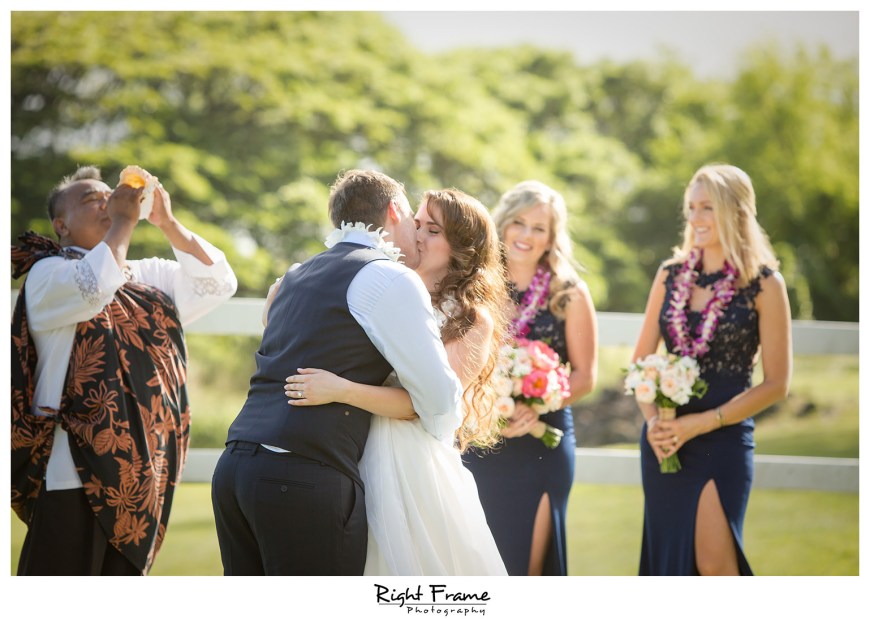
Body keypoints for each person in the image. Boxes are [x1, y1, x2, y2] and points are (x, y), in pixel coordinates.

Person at [211, 170, 465, 576]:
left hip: (234, 470)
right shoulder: (388, 276)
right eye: (414, 224)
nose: (417, 234)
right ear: (393, 210)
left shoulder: (293, 276)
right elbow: (438, 399)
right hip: (301, 479)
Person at [11, 165, 238, 575]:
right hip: (71, 467)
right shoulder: (49, 274)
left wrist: (168, 224)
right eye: (90, 199)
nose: (105, 201)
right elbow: (94, 288)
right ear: (60, 225)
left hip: (141, 472)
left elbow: (218, 283)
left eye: (108, 194)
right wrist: (123, 221)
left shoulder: (145, 276)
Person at [283, 188, 510, 575]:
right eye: (416, 223)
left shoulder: (472, 320)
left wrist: (340, 389)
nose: (417, 234)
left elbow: (427, 407)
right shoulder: (379, 287)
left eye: (433, 230)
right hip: (348, 447)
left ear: (463, 248)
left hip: (408, 463)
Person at [631, 163, 792, 575]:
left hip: (723, 442)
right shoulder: (669, 275)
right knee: (670, 570)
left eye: (707, 207)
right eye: (691, 208)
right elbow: (640, 363)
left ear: (737, 212)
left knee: (717, 570)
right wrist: (654, 423)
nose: (696, 218)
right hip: (664, 443)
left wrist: (701, 424)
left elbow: (777, 384)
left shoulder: (765, 284)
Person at [462, 180, 598, 576]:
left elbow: (586, 376)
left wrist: (535, 408)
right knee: (481, 565)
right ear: (503, 224)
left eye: (539, 228)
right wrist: (491, 409)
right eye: (519, 223)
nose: (526, 235)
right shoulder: (477, 285)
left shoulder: (569, 292)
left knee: (528, 570)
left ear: (552, 237)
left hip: (542, 441)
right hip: (482, 440)